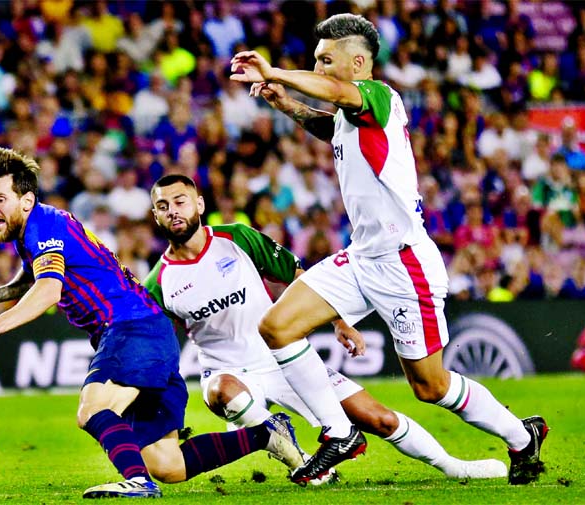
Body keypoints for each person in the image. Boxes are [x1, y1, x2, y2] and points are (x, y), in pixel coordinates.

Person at [230, 13, 548, 485]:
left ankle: (522, 437)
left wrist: (275, 72)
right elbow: (330, 125)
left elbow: (338, 96)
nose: (318, 69)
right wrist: (285, 102)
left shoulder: (380, 96)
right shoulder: (350, 115)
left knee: (431, 386)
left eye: (325, 60)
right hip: (362, 257)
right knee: (276, 327)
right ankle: (339, 433)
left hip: (404, 264)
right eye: (315, 61)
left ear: (358, 62)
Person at [0, 147, 304, 499]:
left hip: (131, 328)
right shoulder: (39, 227)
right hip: (147, 331)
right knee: (168, 463)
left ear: (26, 200)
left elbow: (48, 290)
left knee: (94, 408)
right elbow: (39, 272)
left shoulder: (42, 227)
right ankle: (266, 434)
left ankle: (136, 482)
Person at [144, 174, 508, 483]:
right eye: (164, 206)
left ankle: (454, 467)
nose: (173, 210)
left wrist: (338, 320)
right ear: (156, 216)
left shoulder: (237, 238)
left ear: (200, 204)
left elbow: (299, 277)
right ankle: (303, 461)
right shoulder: (159, 282)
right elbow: (157, 344)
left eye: (180, 201)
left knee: (377, 419)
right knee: (224, 391)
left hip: (281, 362)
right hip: (225, 371)